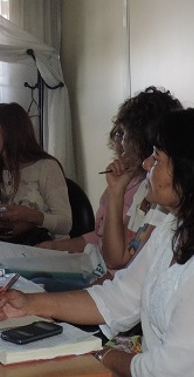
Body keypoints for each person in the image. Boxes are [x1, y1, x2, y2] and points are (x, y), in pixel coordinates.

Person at [0, 108, 194, 376]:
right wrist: (31, 304)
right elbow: (119, 299)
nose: (145, 164)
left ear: (190, 172)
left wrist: (101, 356)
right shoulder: (177, 226)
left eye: (157, 158)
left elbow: (171, 372)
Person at [37, 86, 183, 275]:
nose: (119, 142)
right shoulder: (142, 189)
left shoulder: (159, 197)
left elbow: (118, 269)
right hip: (106, 273)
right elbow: (114, 258)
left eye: (123, 134)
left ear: (140, 138)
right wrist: (115, 191)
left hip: (108, 275)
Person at [0, 102, 71, 246]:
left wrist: (30, 216)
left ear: (13, 130)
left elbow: (65, 224)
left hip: (45, 247)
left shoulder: (46, 167)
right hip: (4, 245)